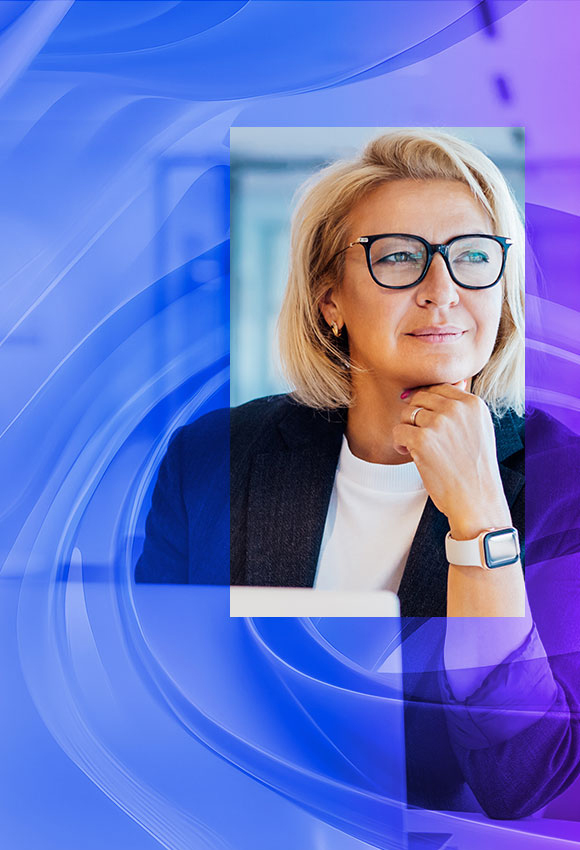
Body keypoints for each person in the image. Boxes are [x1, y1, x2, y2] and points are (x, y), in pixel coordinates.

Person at [136, 131, 580, 820]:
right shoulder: (211, 456)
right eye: (400, 258)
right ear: (329, 301)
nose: (443, 291)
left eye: (472, 259)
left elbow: (522, 778)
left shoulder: (563, 480)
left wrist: (480, 520)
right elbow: (149, 697)